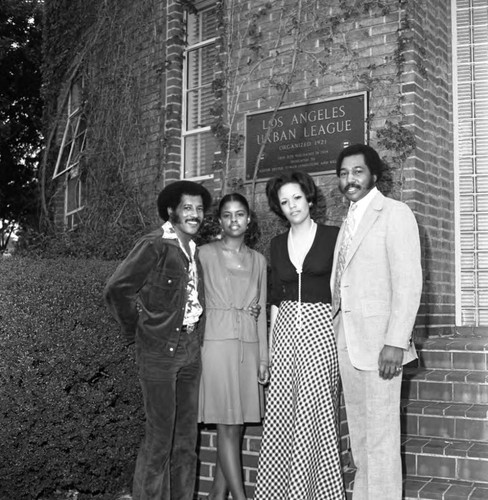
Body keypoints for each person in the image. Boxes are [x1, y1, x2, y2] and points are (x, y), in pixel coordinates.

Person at [104, 180, 212, 500]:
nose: (194, 214)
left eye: (199, 209)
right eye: (188, 208)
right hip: (159, 352)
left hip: (191, 349)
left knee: (186, 441)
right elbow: (117, 289)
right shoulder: (154, 244)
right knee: (159, 440)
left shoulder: (193, 248)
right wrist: (137, 329)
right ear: (171, 211)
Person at [331, 143, 422, 500]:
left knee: (382, 440)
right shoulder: (348, 220)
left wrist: (396, 342)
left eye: (357, 171)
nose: (350, 179)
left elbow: (408, 283)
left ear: (373, 174)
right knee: (362, 437)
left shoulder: (395, 213)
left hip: (383, 345)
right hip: (350, 343)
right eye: (343, 173)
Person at [254, 172, 345, 500]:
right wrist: (273, 348)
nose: (292, 205)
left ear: (309, 198)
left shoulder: (334, 237)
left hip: (321, 333)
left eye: (296, 198)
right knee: (283, 414)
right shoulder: (276, 245)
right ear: (279, 208)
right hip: (286, 333)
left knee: (315, 413)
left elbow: (343, 290)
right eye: (284, 201)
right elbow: (276, 299)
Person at [198, 193, 269, 500]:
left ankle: (217, 496)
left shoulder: (259, 260)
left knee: (236, 427)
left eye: (239, 214)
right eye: (227, 215)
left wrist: (264, 358)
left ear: (248, 219)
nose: (234, 220)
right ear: (220, 221)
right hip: (216, 345)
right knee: (227, 425)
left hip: (248, 347)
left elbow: (262, 309)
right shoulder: (203, 254)